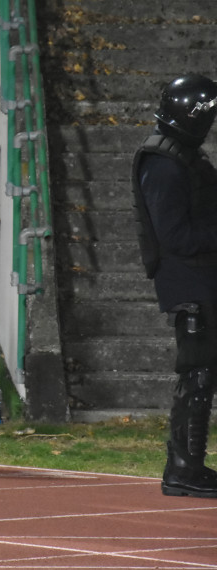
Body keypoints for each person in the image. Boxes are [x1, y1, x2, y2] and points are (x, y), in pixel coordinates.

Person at [132, 73, 217, 498]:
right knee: (197, 374)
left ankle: (188, 465)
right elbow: (177, 237)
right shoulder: (165, 163)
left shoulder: (181, 155)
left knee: (203, 373)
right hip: (189, 282)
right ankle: (184, 466)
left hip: (199, 279)